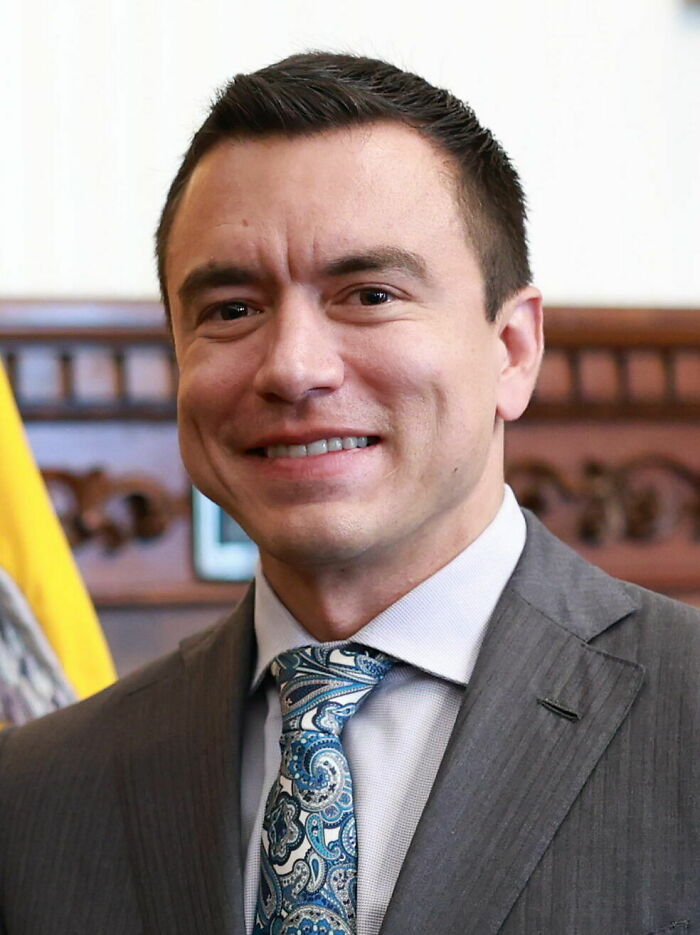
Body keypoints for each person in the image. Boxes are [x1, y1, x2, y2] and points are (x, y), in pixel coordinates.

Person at [1, 52, 698, 935]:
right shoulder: (35, 795)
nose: (293, 368)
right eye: (231, 310)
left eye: (369, 294)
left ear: (513, 350)